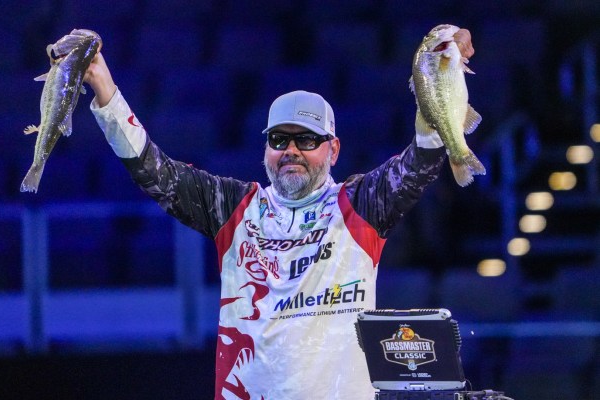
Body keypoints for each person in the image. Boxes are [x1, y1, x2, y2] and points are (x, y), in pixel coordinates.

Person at [85, 26, 475, 400]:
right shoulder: (234, 208)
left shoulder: (362, 204)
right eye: (278, 139)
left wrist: (442, 60)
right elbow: (154, 171)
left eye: (306, 139)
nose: (291, 150)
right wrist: (104, 86)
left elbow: (420, 160)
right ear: (265, 149)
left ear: (333, 150)